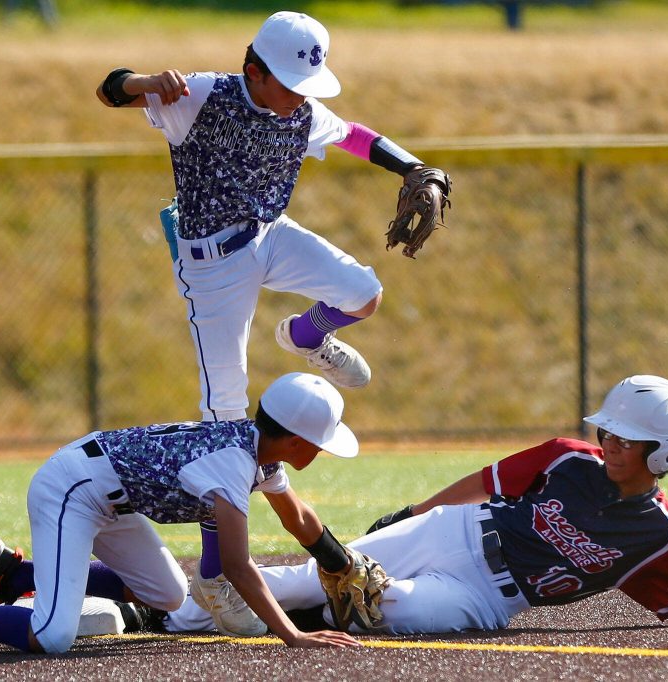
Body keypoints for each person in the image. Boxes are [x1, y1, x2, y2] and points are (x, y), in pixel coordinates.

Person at [96, 10, 448, 615]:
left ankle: (307, 336)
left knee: (363, 292)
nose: (298, 99)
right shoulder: (203, 96)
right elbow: (109, 87)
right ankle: (213, 578)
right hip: (212, 263)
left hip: (269, 234)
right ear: (252, 71)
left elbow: (354, 135)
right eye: (286, 83)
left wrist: (415, 165)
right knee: (225, 419)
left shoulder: (303, 108)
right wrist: (145, 83)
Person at [164, 375, 668, 634]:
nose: (612, 445)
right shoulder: (570, 456)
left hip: (491, 597)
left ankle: (280, 617)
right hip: (454, 530)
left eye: (630, 441)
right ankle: (166, 612)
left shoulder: (656, 534)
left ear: (666, 452)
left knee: (400, 612)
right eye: (610, 433)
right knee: (324, 576)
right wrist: (410, 514)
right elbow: (485, 482)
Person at [0, 373, 365, 655]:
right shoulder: (235, 462)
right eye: (320, 444)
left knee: (169, 597)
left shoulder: (256, 451)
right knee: (51, 637)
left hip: (111, 492)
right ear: (296, 440)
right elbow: (235, 564)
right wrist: (291, 634)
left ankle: (12, 575)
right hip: (73, 486)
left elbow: (298, 519)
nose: (322, 452)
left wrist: (339, 562)